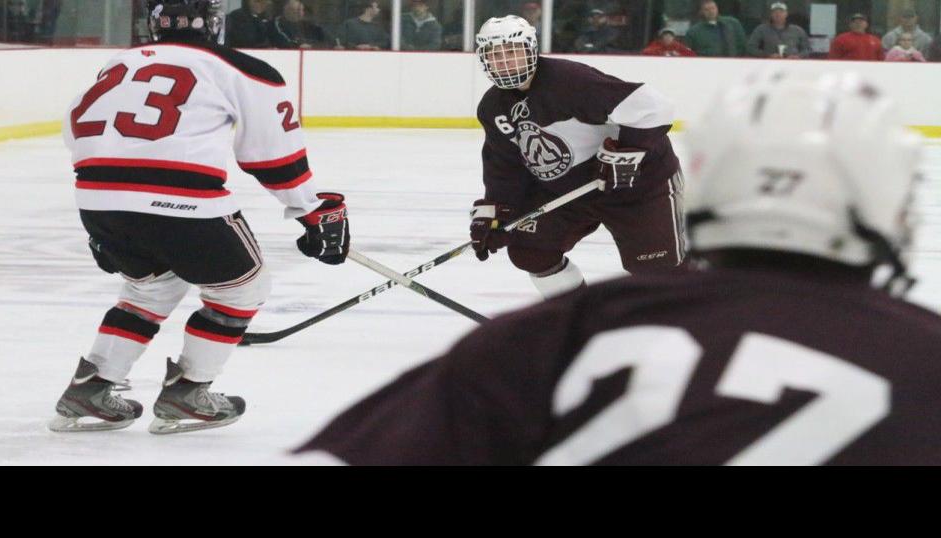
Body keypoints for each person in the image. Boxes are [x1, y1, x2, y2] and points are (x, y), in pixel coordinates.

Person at [292, 71, 936, 465]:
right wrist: (498, 209)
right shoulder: (925, 356)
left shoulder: (550, 340)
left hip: (610, 224)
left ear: (707, 178)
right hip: (582, 198)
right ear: (890, 199)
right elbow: (504, 165)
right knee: (535, 246)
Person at [50, 0, 351, 434]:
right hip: (180, 200)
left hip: (97, 197)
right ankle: (189, 392)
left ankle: (90, 389)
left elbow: (75, 129)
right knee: (244, 288)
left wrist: (109, 212)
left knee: (150, 288)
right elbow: (272, 156)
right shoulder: (242, 68)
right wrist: (312, 210)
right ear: (215, 25)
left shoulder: (120, 61)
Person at [466, 15, 684, 299]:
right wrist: (497, 212)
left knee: (659, 271)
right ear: (484, 60)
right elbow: (506, 169)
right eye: (495, 54)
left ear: (531, 49)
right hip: (570, 193)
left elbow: (653, 108)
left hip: (638, 186)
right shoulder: (493, 108)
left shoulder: (570, 81)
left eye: (512, 51)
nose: (505, 61)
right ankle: (575, 316)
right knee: (530, 251)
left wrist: (627, 152)